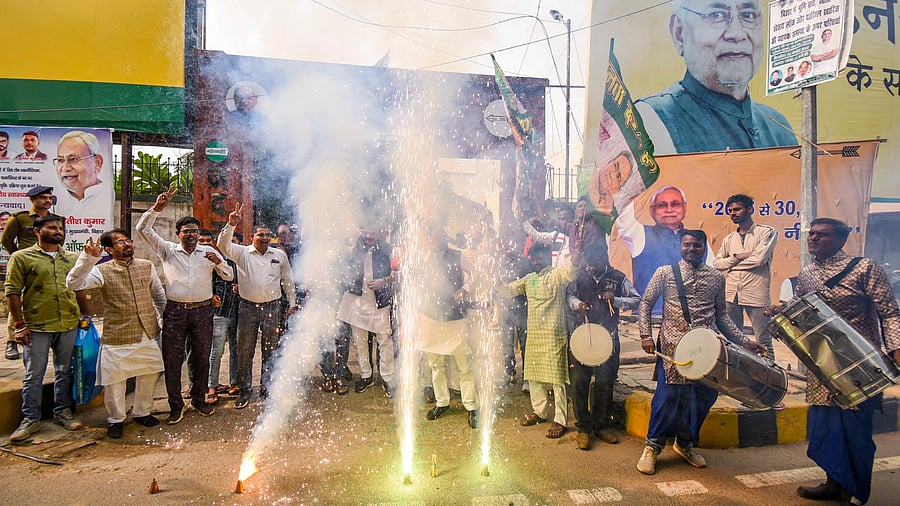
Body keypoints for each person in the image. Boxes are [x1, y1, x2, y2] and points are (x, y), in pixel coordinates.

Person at [779, 218, 900, 505]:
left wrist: (896, 348)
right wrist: (781, 311)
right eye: (812, 234)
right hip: (822, 366)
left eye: (822, 235)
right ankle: (834, 483)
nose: (813, 238)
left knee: (855, 430)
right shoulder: (807, 273)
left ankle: (856, 490)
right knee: (826, 428)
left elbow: (890, 312)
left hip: (859, 366)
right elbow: (800, 311)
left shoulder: (865, 268)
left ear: (841, 240)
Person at [636, 229, 764, 475]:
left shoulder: (716, 277)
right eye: (687, 245)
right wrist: (645, 335)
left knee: (704, 398)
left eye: (697, 246)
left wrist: (744, 341)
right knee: (667, 398)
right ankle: (652, 446)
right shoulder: (665, 273)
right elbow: (646, 303)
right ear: (680, 246)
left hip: (708, 349)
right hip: (673, 347)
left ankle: (685, 444)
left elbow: (722, 316)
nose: (692, 249)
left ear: (704, 247)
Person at [635, 0, 796, 154]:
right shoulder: (649, 121)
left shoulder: (779, 128)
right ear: (680, 33)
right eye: (716, 15)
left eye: (748, 15)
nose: (737, 34)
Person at [136, 188, 233, 424]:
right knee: (172, 359)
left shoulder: (208, 251)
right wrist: (157, 208)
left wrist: (219, 263)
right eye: (187, 231)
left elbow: (229, 276)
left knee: (201, 357)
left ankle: (199, 400)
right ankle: (175, 406)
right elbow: (142, 230)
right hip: (175, 312)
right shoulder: (167, 250)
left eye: (195, 231)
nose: (191, 235)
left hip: (202, 311)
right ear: (178, 234)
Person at [66, 230, 166, 438]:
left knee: (149, 374)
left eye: (128, 240)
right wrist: (88, 258)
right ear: (109, 250)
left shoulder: (146, 266)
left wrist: (165, 319)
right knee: (115, 381)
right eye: (120, 243)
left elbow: (157, 294)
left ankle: (142, 412)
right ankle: (115, 419)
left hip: (147, 331)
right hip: (117, 335)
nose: (127, 244)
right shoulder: (101, 270)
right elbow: (74, 284)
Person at [7, 214, 88, 442]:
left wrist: (86, 315)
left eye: (60, 229)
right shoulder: (22, 257)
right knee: (34, 374)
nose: (58, 232)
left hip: (68, 323)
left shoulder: (71, 258)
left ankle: (62, 412)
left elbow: (79, 289)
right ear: (37, 231)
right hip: (37, 325)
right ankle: (30, 419)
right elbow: (12, 292)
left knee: (65, 371)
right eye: (52, 228)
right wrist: (19, 325)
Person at [217, 203, 298, 409]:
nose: (264, 238)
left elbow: (287, 279)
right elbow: (222, 245)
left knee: (270, 349)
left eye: (267, 235)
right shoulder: (242, 253)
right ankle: (244, 390)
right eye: (260, 234)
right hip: (247, 308)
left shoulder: (278, 255)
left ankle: (267, 387)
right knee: (245, 350)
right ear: (252, 236)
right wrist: (230, 224)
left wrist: (292, 302)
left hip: (272, 307)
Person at [502, 242, 581, 439]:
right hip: (535, 335)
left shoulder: (557, 275)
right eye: (533, 259)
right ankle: (540, 412)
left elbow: (571, 271)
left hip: (555, 335)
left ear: (547, 258)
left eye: (539, 258)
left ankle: (560, 419)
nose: (536, 262)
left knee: (558, 379)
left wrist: (577, 253)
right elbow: (508, 290)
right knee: (534, 376)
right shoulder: (529, 279)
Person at [567, 246, 640, 449]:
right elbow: (570, 296)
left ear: (605, 262)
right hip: (582, 337)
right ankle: (583, 427)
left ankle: (601, 425)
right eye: (589, 265)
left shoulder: (618, 278)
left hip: (608, 338)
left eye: (596, 265)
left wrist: (616, 300)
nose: (592, 268)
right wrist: (578, 304)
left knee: (604, 382)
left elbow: (636, 300)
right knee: (579, 382)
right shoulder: (580, 277)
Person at [616, 185, 709, 314]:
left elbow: (711, 281)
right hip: (650, 319)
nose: (669, 210)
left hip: (691, 319)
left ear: (684, 208)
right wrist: (628, 186)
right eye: (662, 205)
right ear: (652, 210)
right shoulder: (640, 235)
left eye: (675, 204)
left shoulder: (698, 240)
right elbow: (624, 220)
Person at [420, 229, 479, 429]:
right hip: (431, 316)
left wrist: (464, 290)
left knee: (464, 364)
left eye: (436, 236)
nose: (433, 239)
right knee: (435, 364)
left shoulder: (459, 255)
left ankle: (471, 406)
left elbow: (475, 274)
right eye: (431, 236)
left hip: (455, 316)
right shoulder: (424, 256)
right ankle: (442, 402)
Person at [713, 194, 778, 357]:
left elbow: (759, 260)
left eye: (737, 209)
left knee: (763, 340)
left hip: (756, 293)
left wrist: (732, 264)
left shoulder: (767, 232)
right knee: (734, 338)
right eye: (730, 210)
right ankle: (740, 374)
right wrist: (737, 257)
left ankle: (769, 378)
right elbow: (717, 264)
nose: (733, 213)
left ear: (750, 209)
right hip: (731, 293)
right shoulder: (729, 239)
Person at [336, 226, 396, 397]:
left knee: (385, 341)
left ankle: (388, 378)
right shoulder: (353, 248)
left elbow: (398, 273)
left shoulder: (389, 249)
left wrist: (383, 281)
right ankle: (366, 375)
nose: (369, 236)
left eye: (373, 232)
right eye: (366, 232)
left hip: (380, 302)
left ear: (379, 232)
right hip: (357, 301)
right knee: (359, 342)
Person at [1, 185, 55, 361]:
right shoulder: (19, 218)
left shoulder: (55, 219)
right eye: (43, 198)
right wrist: (19, 255)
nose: (47, 201)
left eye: (49, 198)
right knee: (19, 300)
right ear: (32, 200)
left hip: (47, 264)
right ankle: (11, 341)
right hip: (25, 265)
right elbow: (6, 239)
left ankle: (46, 339)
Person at [199, 229, 242, 403]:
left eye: (235, 243)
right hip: (219, 313)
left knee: (236, 350)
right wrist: (210, 296)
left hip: (239, 312)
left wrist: (241, 289)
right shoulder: (212, 261)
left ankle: (234, 383)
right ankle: (212, 386)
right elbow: (202, 282)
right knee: (216, 351)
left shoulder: (241, 261)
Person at [53, 130, 105, 203]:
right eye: (61, 160)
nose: (65, 168)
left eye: (73, 159)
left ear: (97, 163)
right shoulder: (53, 199)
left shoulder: (107, 196)